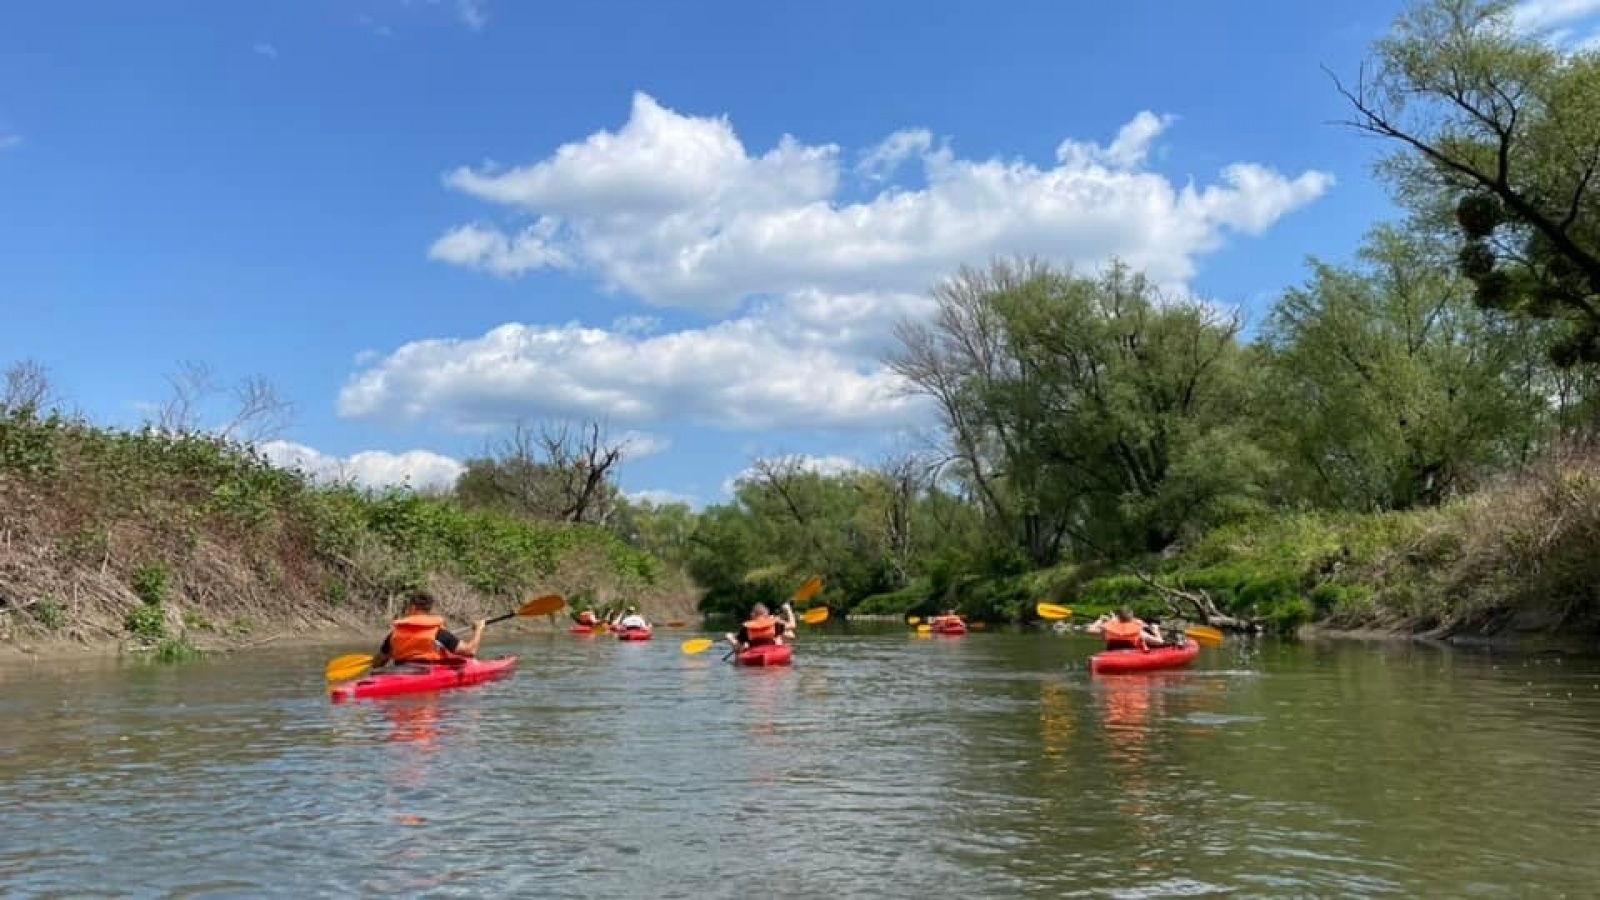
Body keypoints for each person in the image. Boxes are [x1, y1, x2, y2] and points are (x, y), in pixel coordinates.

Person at [369, 590, 485, 668]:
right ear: (429, 609)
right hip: (427, 675)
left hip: (401, 673)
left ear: (412, 607)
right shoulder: (439, 634)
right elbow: (470, 651)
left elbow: (377, 664)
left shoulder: (394, 635)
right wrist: (478, 630)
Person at [725, 601, 797, 651]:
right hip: (772, 650)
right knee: (780, 637)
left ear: (752, 615)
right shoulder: (774, 624)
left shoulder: (746, 628)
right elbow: (793, 625)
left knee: (730, 637)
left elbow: (738, 647)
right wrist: (788, 610)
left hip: (754, 651)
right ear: (766, 614)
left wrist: (730, 638)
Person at [1086, 607, 1167, 650]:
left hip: (1113, 654)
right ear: (1132, 618)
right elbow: (1160, 642)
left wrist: (1100, 620)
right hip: (1132, 656)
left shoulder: (1109, 630)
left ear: (1118, 618)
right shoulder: (1138, 631)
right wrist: (1156, 630)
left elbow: (1089, 630)